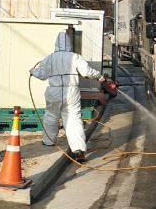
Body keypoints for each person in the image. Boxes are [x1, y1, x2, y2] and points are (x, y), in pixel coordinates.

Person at [30, 31, 105, 162]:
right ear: (69, 44)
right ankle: (78, 150)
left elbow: (41, 75)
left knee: (51, 115)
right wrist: (99, 76)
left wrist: (32, 71)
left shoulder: (50, 58)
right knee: (74, 119)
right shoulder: (75, 57)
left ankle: (49, 141)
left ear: (56, 44)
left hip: (54, 90)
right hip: (71, 91)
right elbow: (87, 72)